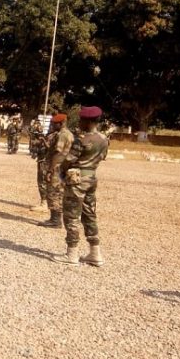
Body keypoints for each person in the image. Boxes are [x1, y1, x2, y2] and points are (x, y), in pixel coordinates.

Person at [53, 106, 109, 266]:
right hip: (91, 178)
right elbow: (102, 157)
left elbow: (69, 159)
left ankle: (72, 254)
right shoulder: (104, 139)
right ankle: (95, 253)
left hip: (76, 180)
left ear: (88, 121)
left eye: (82, 120)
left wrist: (61, 172)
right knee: (89, 214)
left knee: (71, 215)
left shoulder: (82, 139)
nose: (80, 122)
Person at [39, 113, 74, 228]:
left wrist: (50, 170)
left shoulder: (62, 135)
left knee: (53, 192)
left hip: (57, 167)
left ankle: (55, 220)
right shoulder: (67, 134)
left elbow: (58, 153)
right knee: (59, 192)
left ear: (61, 123)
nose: (53, 126)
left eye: (54, 124)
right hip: (63, 166)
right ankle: (55, 219)